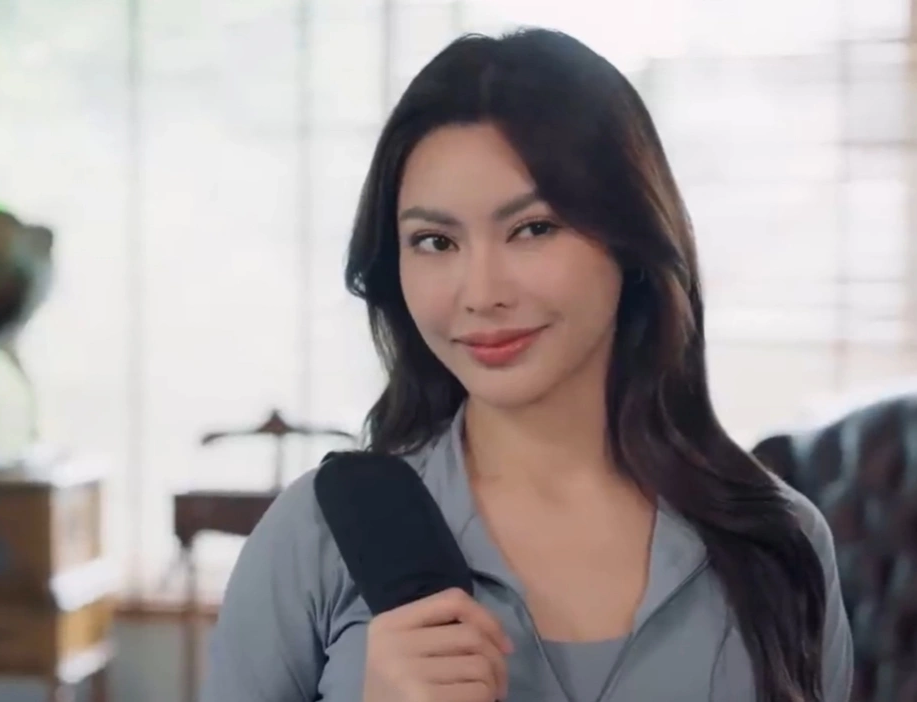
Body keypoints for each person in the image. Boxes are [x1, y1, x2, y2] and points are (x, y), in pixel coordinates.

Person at [202, 28, 853, 702]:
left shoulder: (780, 545)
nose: (481, 293)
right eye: (435, 241)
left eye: (533, 229)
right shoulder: (314, 538)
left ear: (630, 240)